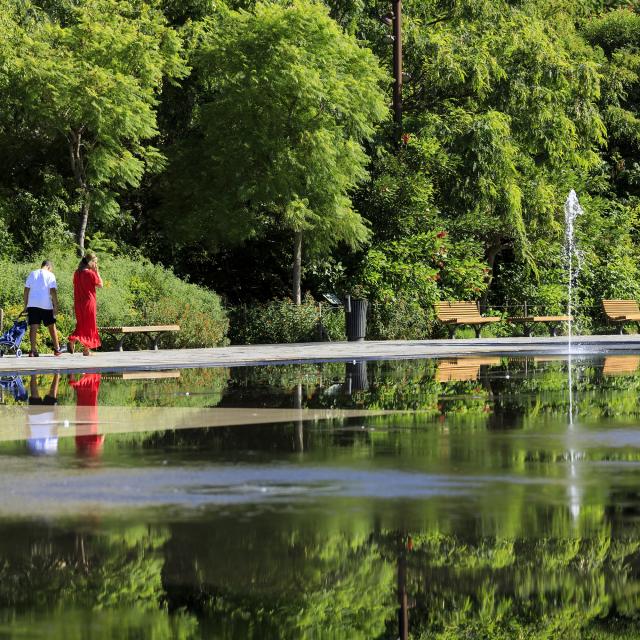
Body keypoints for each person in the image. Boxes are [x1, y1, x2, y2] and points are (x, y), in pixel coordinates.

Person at [22, 260, 62, 357]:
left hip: (32, 304)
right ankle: (57, 349)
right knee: (51, 326)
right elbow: (53, 291)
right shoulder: (50, 275)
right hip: (46, 305)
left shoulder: (32, 273)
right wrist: (56, 306)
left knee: (33, 326)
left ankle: (32, 350)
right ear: (48, 267)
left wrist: (26, 305)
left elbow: (26, 290)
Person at [68, 251, 103, 356]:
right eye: (95, 262)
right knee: (90, 325)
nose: (96, 265)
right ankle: (86, 349)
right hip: (89, 302)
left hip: (79, 303)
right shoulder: (90, 273)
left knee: (81, 325)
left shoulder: (77, 273)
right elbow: (101, 284)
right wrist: (97, 272)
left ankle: (74, 340)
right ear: (90, 262)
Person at [26, 374, 60, 455]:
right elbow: (28, 432)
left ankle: (57, 374)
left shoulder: (52, 449)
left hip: (48, 417)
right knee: (34, 394)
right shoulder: (34, 448)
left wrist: (56, 413)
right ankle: (33, 374)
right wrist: (27, 417)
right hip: (35, 418)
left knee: (52, 394)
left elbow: (55, 431)